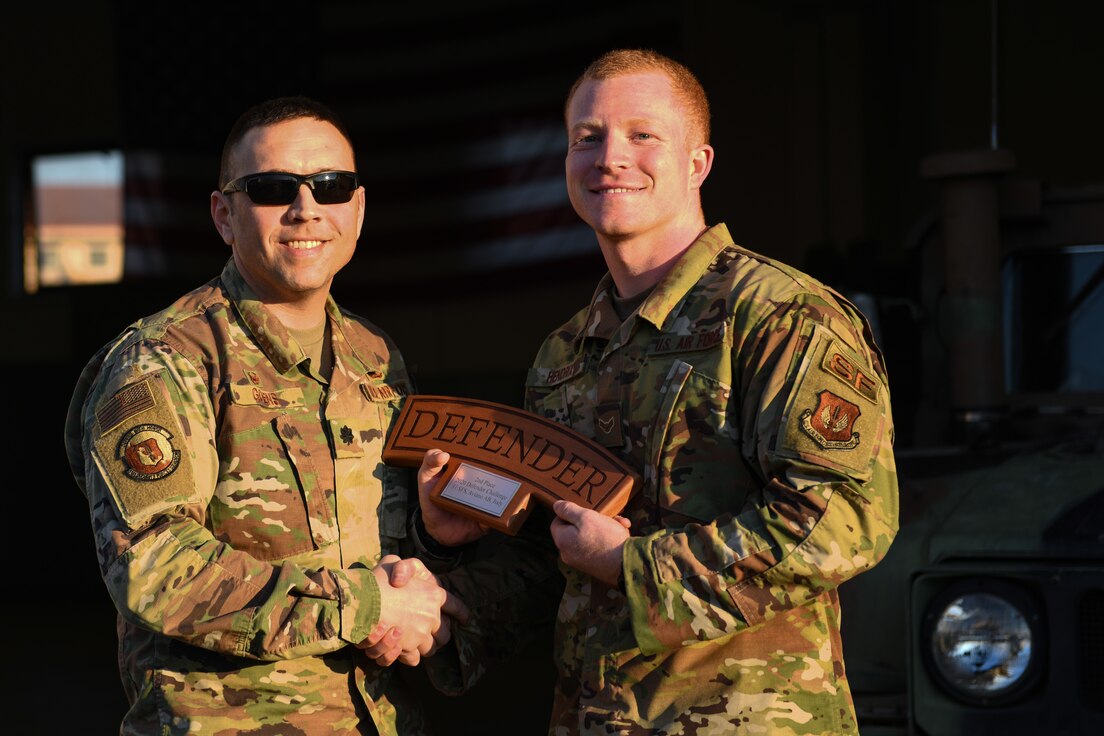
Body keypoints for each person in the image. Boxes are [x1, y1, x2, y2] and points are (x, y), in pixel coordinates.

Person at [407, 49, 900, 735]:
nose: (610, 157)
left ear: (698, 163)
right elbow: (554, 565)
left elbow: (843, 519)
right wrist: (447, 576)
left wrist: (632, 567)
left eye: (642, 135)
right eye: (588, 138)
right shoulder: (564, 352)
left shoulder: (778, 315)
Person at [63, 96, 467, 736]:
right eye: (273, 188)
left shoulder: (374, 358)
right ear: (224, 215)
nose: (306, 208)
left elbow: (368, 547)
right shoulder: (163, 361)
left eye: (331, 187)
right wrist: (364, 608)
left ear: (357, 210)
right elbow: (154, 568)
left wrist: (429, 543)